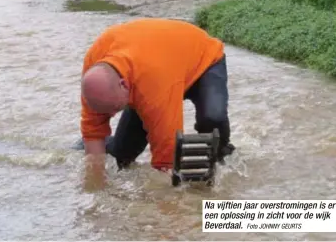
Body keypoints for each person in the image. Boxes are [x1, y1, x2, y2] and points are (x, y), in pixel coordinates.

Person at [78, 18, 235, 184]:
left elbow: (166, 160)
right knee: (122, 157)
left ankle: (223, 153)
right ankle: (81, 146)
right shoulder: (94, 76)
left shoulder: (153, 87)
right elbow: (93, 130)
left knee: (212, 117)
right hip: (155, 71)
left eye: (115, 108)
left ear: (124, 84)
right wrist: (96, 186)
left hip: (204, 61)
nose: (110, 115)